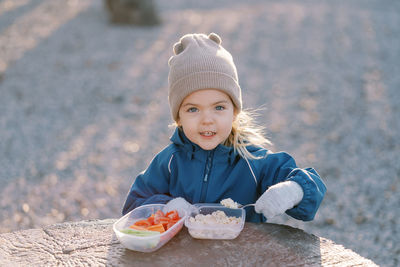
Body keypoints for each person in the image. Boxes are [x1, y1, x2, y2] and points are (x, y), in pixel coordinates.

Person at [122, 33, 326, 222]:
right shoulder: (169, 161)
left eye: (219, 107)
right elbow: (134, 205)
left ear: (234, 111)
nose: (207, 120)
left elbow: (312, 187)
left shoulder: (254, 162)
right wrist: (167, 206)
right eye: (193, 110)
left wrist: (292, 190)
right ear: (179, 118)